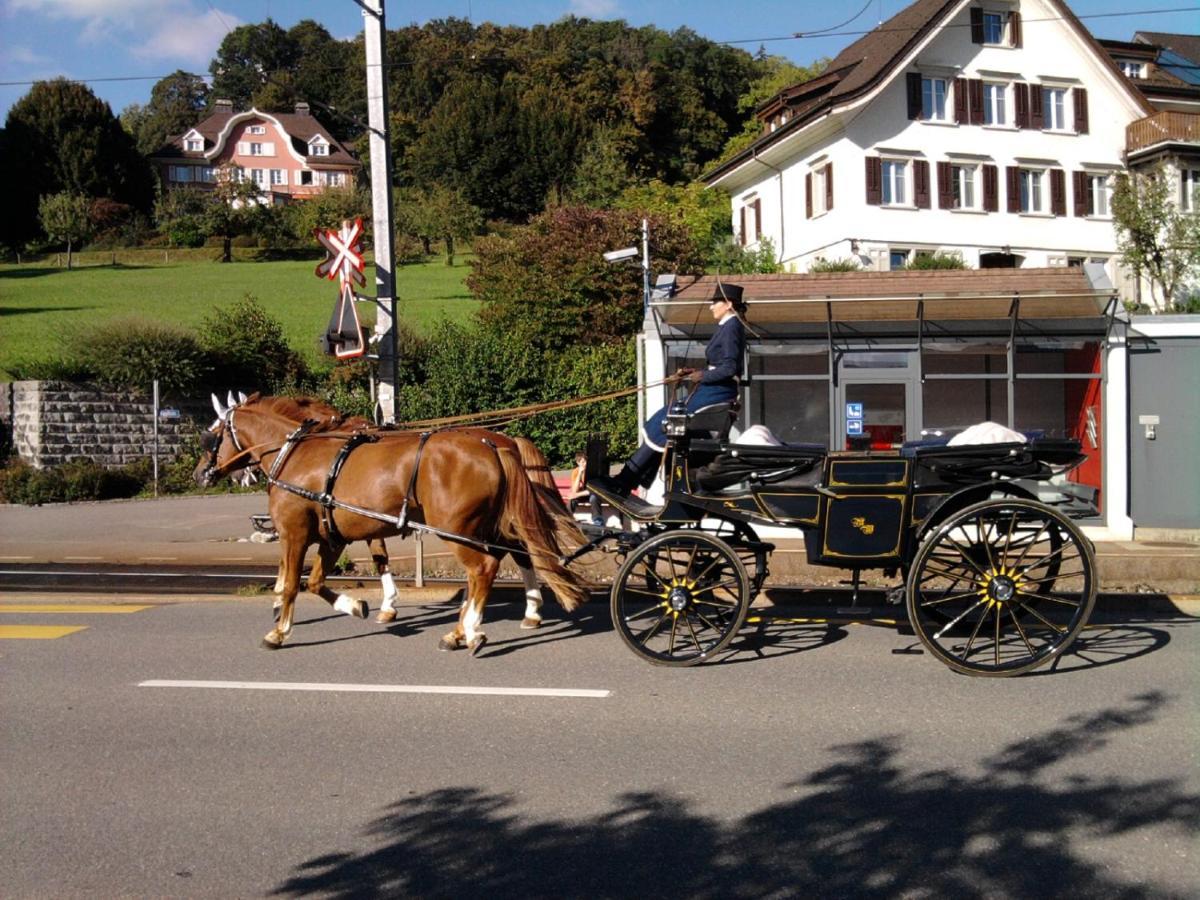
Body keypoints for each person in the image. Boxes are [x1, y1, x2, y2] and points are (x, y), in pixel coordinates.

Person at [594, 284, 747, 497]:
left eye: (715, 302)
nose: (711, 307)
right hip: (713, 390)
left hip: (717, 392)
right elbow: (722, 365)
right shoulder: (728, 326)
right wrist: (696, 371)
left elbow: (730, 368)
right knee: (665, 418)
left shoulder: (731, 327)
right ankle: (628, 480)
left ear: (729, 304)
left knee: (666, 420)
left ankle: (626, 480)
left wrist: (702, 376)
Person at [566, 450, 604, 526]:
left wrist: (576, 494)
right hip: (584, 493)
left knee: (594, 497)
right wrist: (579, 473)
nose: (585, 464)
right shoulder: (576, 471)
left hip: (594, 492)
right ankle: (567, 518)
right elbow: (574, 491)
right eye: (583, 462)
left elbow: (595, 489)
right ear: (578, 463)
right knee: (572, 499)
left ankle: (597, 520)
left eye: (586, 461)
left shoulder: (594, 471)